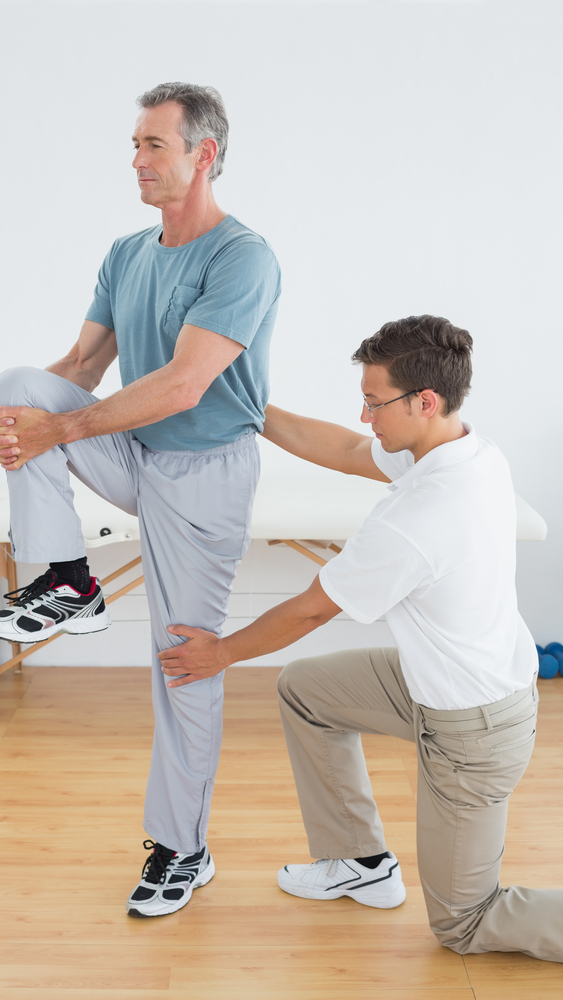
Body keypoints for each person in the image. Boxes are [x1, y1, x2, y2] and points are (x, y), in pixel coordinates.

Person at [159, 314, 563, 962]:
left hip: (472, 732)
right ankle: (359, 862)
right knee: (306, 690)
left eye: (374, 403)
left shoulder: (420, 516)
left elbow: (309, 611)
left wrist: (221, 653)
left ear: (423, 401)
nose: (365, 416)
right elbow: (347, 451)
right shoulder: (465, 451)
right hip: (452, 685)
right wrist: (250, 407)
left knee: (463, 924)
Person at [0, 82, 281, 917]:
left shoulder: (241, 256)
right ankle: (69, 577)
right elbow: (76, 371)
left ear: (202, 154)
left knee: (181, 660)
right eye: (135, 145)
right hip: (132, 449)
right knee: (16, 385)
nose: (136, 159)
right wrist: (15, 423)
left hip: (204, 473)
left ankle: (183, 846)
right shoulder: (125, 251)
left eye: (153, 144)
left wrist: (53, 434)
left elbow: (183, 386)